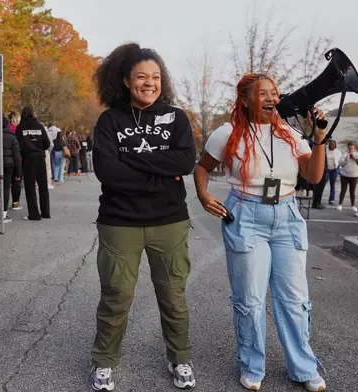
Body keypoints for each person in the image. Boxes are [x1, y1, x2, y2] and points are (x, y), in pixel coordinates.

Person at [194, 73, 327, 392]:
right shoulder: (227, 134)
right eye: (263, 93)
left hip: (287, 215)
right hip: (245, 215)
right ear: (244, 99)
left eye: (276, 93)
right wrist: (203, 194)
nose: (272, 99)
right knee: (250, 299)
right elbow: (203, 168)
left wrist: (318, 138)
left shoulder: (291, 134)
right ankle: (252, 365)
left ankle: (304, 367)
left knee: (295, 299)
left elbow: (313, 174)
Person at [89, 43, 197, 391]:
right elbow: (107, 171)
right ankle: (105, 362)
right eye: (141, 77)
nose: (149, 83)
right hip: (120, 223)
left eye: (155, 77)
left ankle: (179, 358)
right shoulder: (109, 120)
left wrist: (131, 159)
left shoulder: (177, 117)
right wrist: (159, 175)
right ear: (124, 80)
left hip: (169, 222)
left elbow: (184, 162)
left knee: (173, 296)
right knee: (116, 295)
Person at [15, 106, 50, 221]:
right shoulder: (40, 126)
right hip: (40, 157)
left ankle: (34, 214)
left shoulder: (20, 128)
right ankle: (45, 212)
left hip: (28, 159)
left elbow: (18, 145)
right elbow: (47, 143)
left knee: (30, 188)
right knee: (43, 186)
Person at [337, 141, 358, 211]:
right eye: (349, 148)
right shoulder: (344, 154)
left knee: (352, 191)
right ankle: (340, 204)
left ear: (354, 148)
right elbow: (340, 163)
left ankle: (353, 205)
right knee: (343, 190)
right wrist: (345, 160)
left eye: (352, 148)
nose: (350, 149)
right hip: (344, 175)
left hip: (354, 175)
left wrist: (355, 158)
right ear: (347, 148)